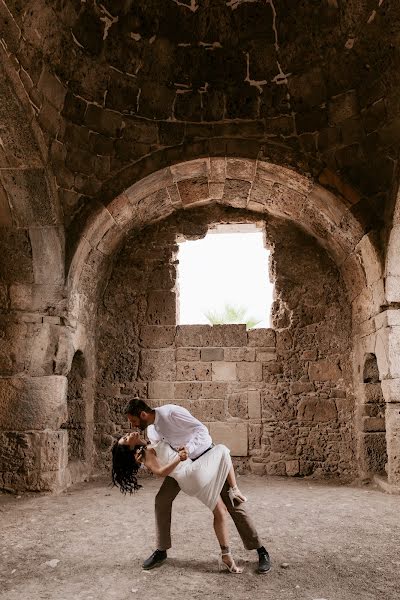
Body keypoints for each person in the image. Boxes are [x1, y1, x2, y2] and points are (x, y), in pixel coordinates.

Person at [121, 398, 271, 574]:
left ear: (143, 414)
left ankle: (260, 550)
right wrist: (141, 460)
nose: (133, 425)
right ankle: (161, 550)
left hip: (204, 458)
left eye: (133, 421)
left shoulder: (172, 413)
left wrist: (188, 450)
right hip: (182, 467)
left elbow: (201, 430)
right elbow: (156, 454)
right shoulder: (152, 430)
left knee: (233, 502)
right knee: (161, 499)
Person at [112, 432, 245, 573]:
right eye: (126, 439)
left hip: (191, 481)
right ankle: (235, 489)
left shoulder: (148, 445)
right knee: (222, 450)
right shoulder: (145, 453)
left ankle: (226, 556)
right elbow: (160, 472)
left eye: (125, 435)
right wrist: (178, 458)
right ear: (131, 447)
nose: (128, 434)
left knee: (220, 511)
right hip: (191, 473)